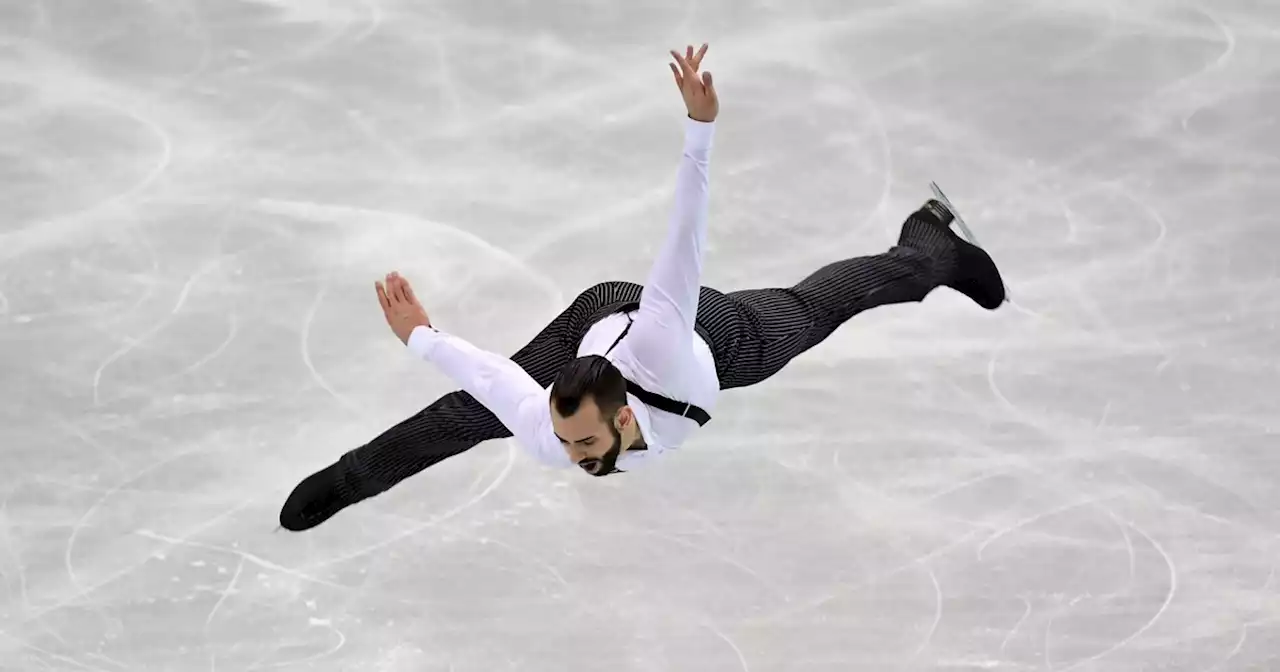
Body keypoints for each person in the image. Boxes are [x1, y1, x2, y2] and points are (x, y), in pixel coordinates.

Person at [278, 43, 1006, 532]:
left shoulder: (664, 340)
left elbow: (684, 237)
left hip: (702, 338)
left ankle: (931, 244)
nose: (571, 454)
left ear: (623, 418)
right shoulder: (551, 430)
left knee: (815, 312)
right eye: (567, 439)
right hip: (593, 327)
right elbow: (489, 378)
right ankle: (351, 480)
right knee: (472, 414)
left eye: (582, 439)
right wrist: (422, 338)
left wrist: (700, 128)